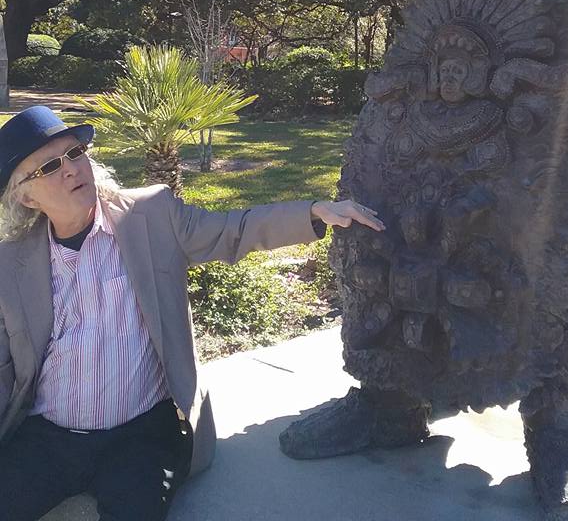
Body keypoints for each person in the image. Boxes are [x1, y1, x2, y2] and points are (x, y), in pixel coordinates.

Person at [0, 105, 383, 521]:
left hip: (141, 433)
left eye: (75, 153)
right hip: (50, 436)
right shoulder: (13, 263)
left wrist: (312, 211)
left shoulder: (150, 216)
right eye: (51, 166)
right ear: (25, 195)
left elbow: (231, 231)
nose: (72, 169)